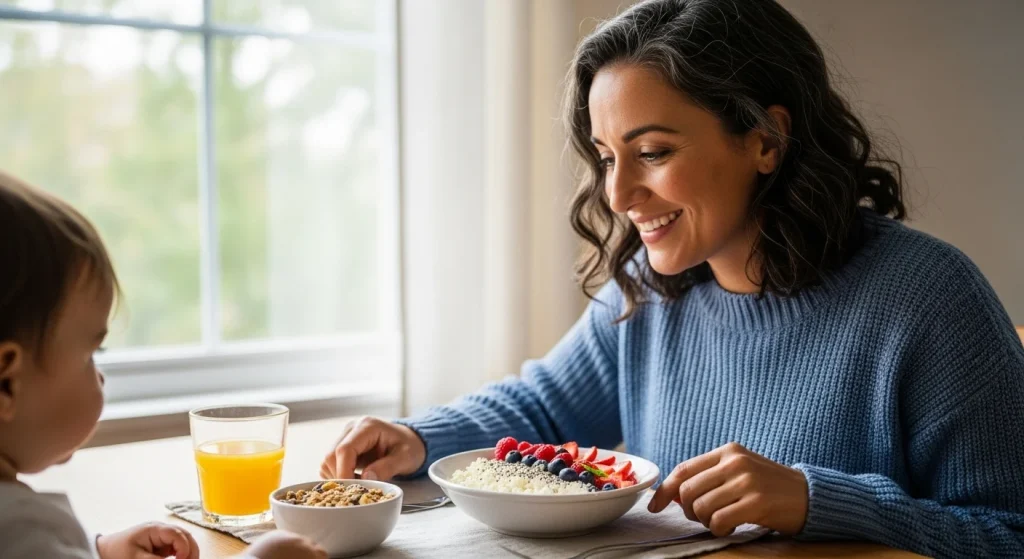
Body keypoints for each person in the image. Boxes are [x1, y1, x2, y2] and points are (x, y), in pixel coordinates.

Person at [320, 0, 1024, 557]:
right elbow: (542, 408)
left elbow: (1008, 532)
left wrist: (818, 501)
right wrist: (416, 437)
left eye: (652, 151)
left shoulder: (929, 297)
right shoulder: (650, 287)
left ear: (765, 141)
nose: (619, 196)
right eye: (604, 157)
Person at [0, 170, 327, 559]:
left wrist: (100, 551)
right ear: (7, 382)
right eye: (91, 354)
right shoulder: (18, 527)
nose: (99, 375)